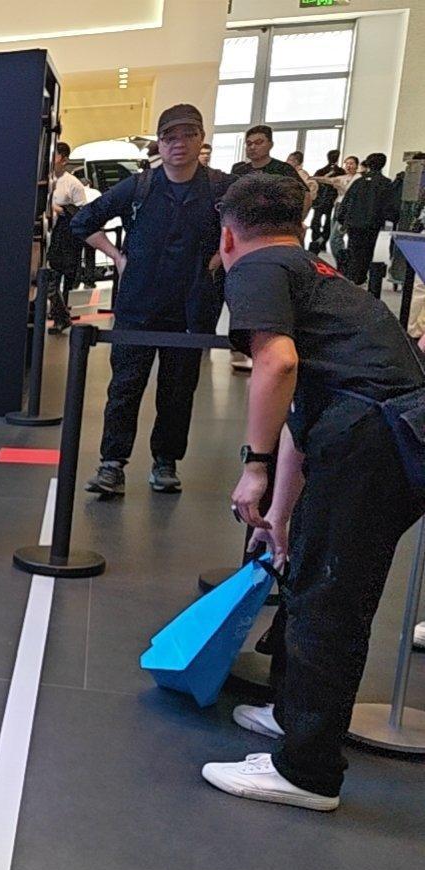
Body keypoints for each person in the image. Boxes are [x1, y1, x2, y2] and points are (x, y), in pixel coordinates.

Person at [204, 173, 425, 812]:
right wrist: (278, 512)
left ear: (227, 235)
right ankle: (293, 718)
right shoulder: (315, 272)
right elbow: (306, 407)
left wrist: (254, 466)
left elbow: (277, 365)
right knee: (313, 582)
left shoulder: (255, 268)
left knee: (331, 601)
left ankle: (307, 771)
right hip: (380, 434)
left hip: (375, 443)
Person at [71, 103, 227, 498]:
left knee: (179, 390)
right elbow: (82, 221)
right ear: (159, 142)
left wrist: (221, 257)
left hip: (192, 307)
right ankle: (112, 463)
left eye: (188, 135)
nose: (179, 144)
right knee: (125, 387)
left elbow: (254, 226)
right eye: (170, 137)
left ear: (201, 139)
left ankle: (166, 461)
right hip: (138, 305)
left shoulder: (221, 188)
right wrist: (117, 256)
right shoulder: (139, 186)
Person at [46, 141, 90, 332]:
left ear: (63, 160)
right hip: (45, 236)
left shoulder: (73, 184)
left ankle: (61, 316)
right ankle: (59, 315)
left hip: (61, 238)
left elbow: (81, 213)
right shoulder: (45, 179)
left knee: (54, 278)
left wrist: (59, 209)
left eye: (55, 155)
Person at [337, 152, 399, 285]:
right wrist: (391, 219)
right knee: (367, 251)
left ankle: (351, 276)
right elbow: (389, 205)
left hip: (353, 222)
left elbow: (347, 201)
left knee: (353, 249)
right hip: (372, 223)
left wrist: (342, 219)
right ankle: (361, 277)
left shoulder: (358, 182)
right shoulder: (386, 183)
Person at [230, 124, 300, 182]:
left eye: (258, 142)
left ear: (270, 144)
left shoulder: (284, 169)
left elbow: (303, 193)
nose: (252, 147)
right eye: (249, 143)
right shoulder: (239, 171)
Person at [309, 148, 345, 253]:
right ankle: (321, 242)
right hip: (329, 200)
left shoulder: (322, 171)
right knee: (324, 222)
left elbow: (315, 183)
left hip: (323, 200)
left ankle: (317, 241)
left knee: (319, 222)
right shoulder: (340, 172)